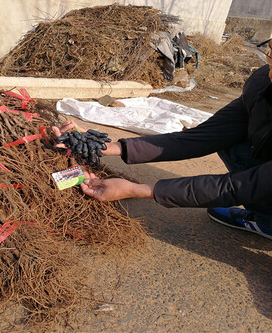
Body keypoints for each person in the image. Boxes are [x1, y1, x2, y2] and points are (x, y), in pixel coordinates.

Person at [52, 39, 272, 240]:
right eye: (270, 54)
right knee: (234, 145)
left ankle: (268, 222)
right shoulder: (263, 84)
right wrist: (106, 146)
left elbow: (243, 185)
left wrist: (137, 190)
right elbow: (201, 138)